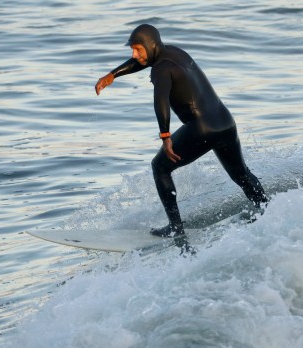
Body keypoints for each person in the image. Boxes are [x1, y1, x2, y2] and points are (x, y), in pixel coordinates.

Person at [95, 24, 267, 241]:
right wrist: (113, 75)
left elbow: (161, 103)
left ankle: (176, 228)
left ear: (151, 45)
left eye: (138, 49)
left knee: (160, 167)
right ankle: (268, 209)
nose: (134, 54)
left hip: (202, 127)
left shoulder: (160, 70)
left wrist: (165, 137)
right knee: (241, 174)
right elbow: (144, 61)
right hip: (225, 122)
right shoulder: (175, 53)